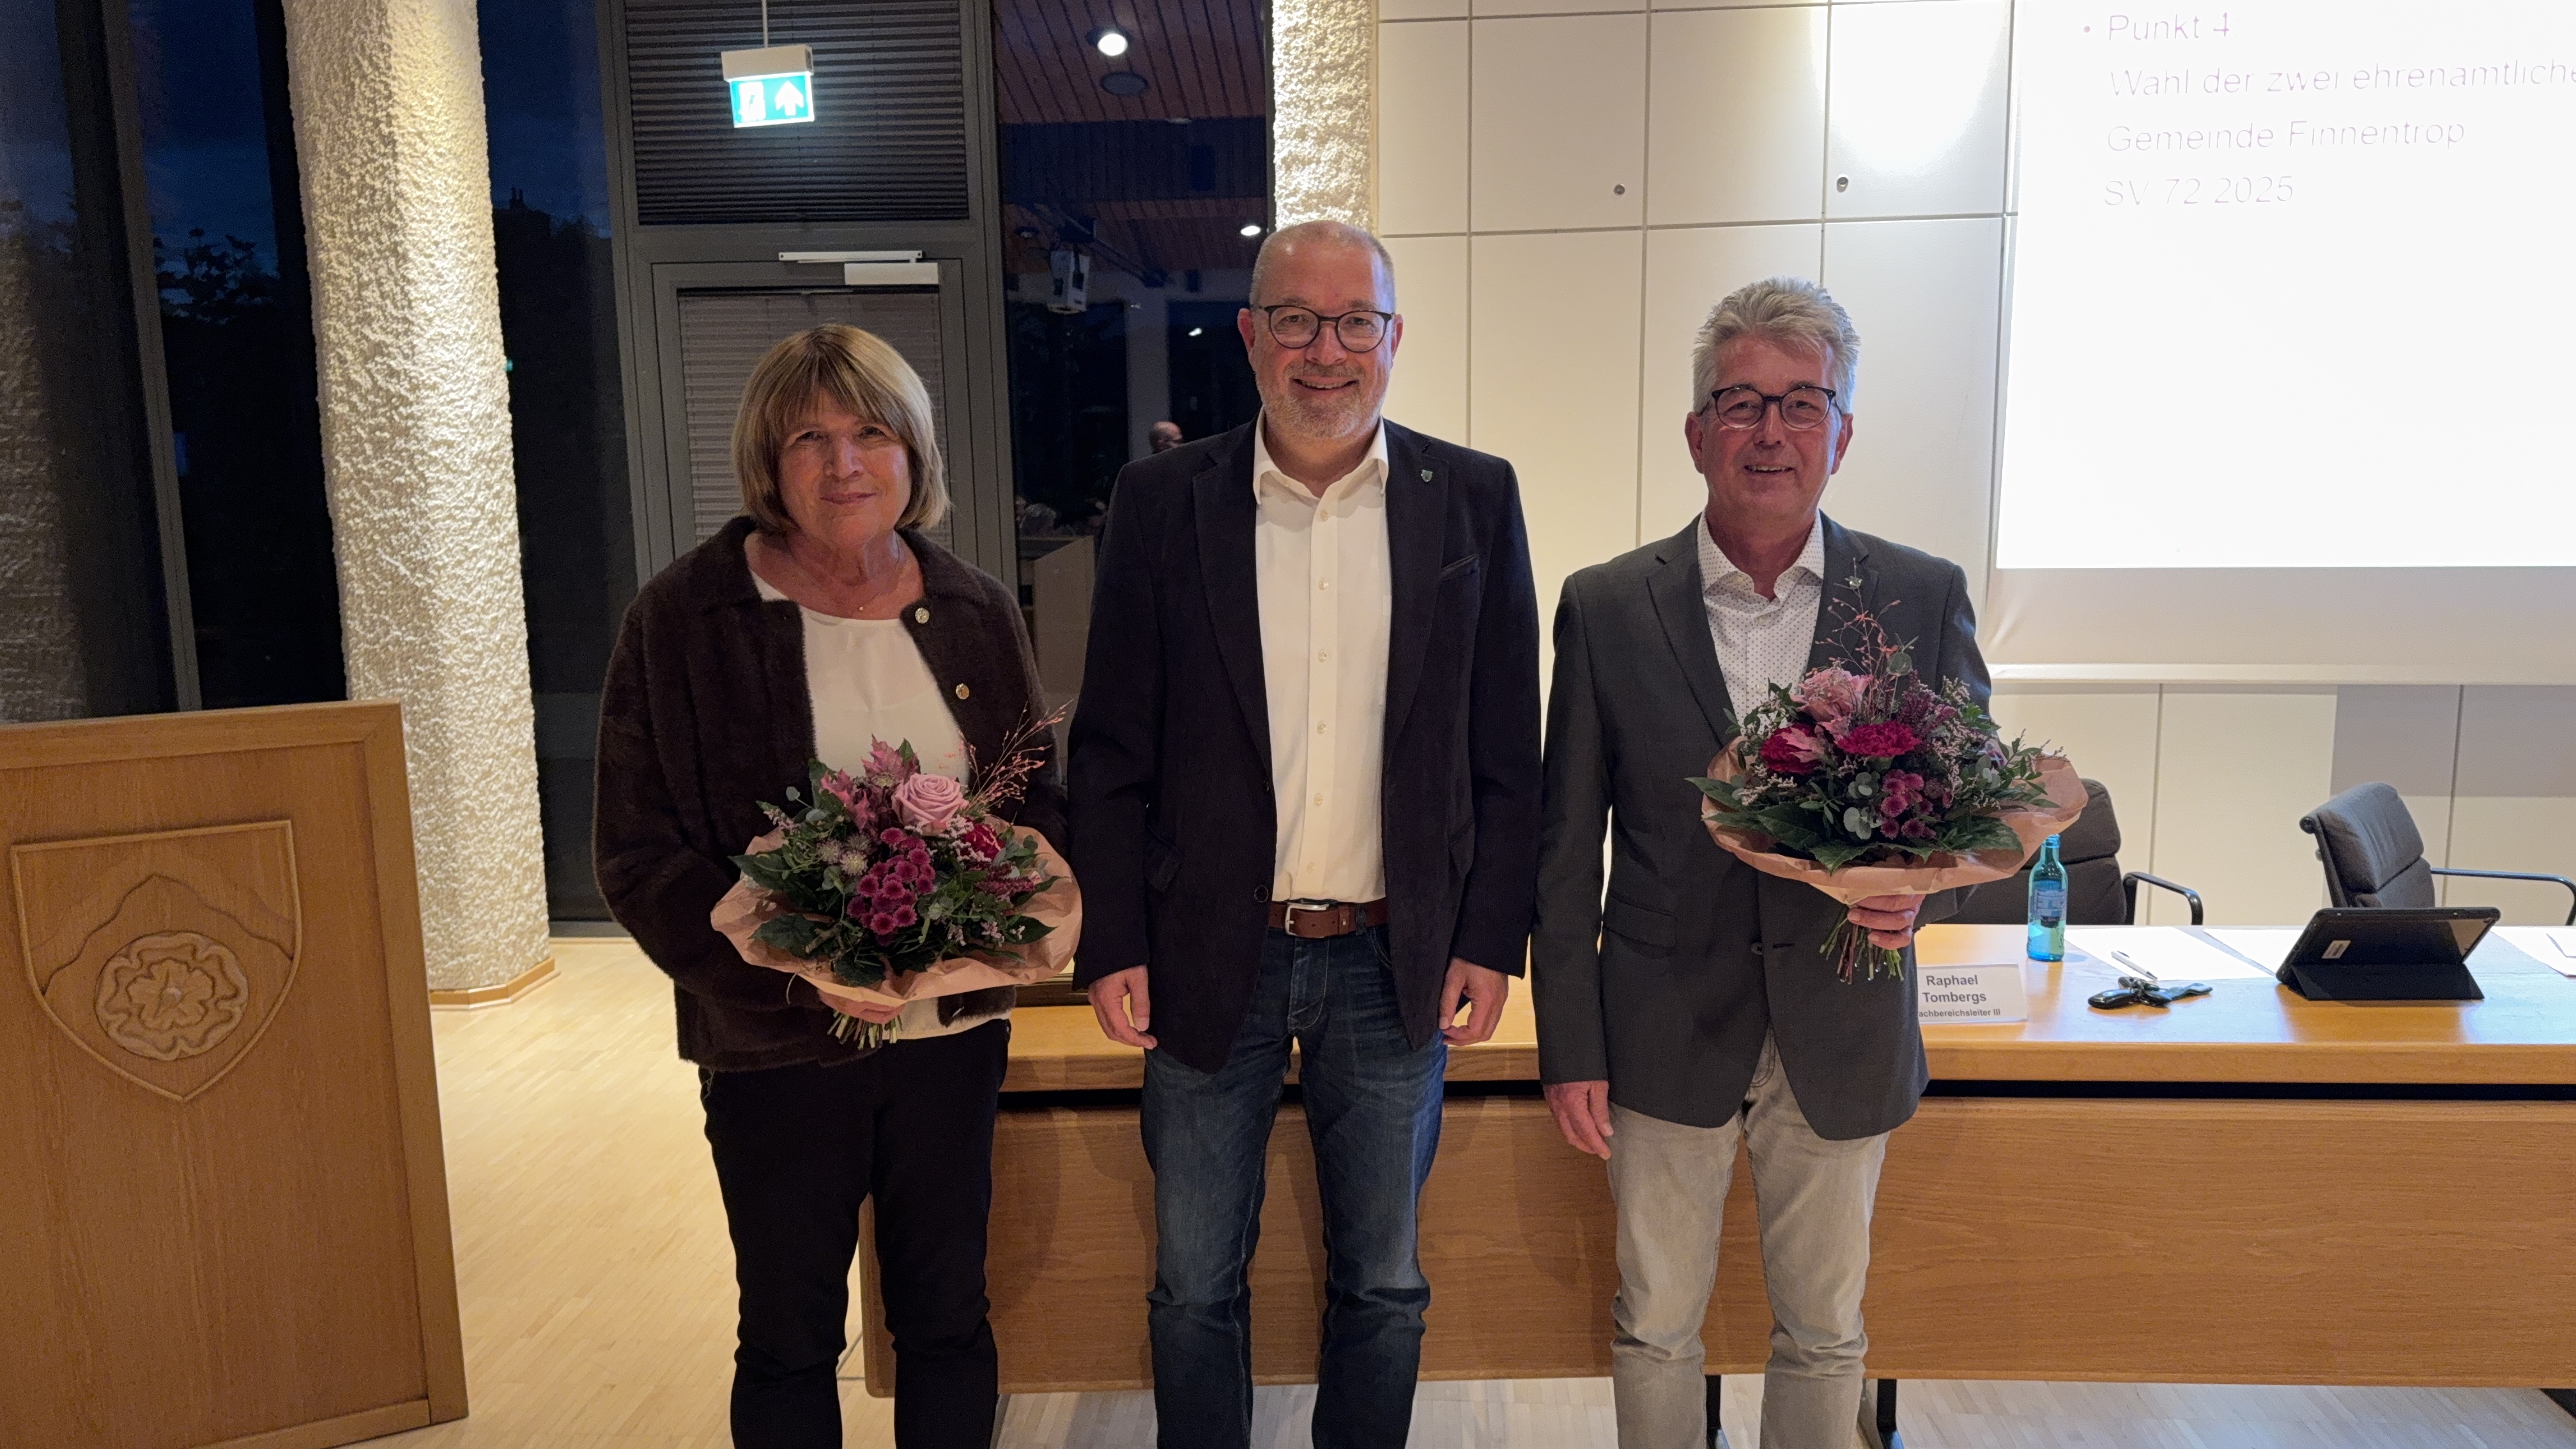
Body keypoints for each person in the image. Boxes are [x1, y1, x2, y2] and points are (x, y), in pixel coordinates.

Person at [1068, 220, 1542, 1448]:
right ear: (1249, 335)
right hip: (1203, 952)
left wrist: (1492, 939)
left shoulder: (1474, 497)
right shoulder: (1162, 503)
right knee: (1193, 1286)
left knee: (1383, 1284)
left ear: (1393, 339)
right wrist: (1111, 937)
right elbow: (1111, 748)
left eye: (1353, 323)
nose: (1325, 352)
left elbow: (1505, 752)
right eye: (1296, 319)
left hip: (1398, 964)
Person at [1530, 277, 1988, 1449]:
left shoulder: (1920, 596)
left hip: (1841, 1014)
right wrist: (1570, 1047)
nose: (1770, 432)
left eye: (1800, 403)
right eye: (1740, 403)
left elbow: (1968, 802)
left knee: (1827, 1330)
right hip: (1661, 1019)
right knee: (1655, 1327)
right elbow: (1565, 845)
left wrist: (1910, 906)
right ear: (1697, 434)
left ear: (1843, 431)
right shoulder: (1609, 605)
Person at [594, 325, 1064, 1449]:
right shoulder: (683, 616)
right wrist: (797, 977)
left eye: (869, 433)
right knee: (791, 1331)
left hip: (949, 1035)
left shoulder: (974, 608)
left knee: (948, 1313)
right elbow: (636, 851)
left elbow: (1032, 815)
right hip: (773, 1047)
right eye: (810, 437)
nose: (843, 464)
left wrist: (978, 940)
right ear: (769, 459)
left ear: (912, 454)